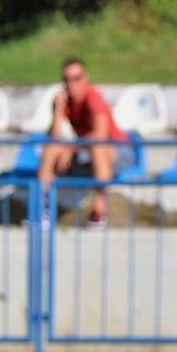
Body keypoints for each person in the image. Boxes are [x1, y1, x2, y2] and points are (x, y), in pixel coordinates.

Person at [38, 58, 133, 229]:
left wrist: (70, 147)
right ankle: (42, 209)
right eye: (67, 79)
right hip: (86, 150)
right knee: (51, 149)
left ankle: (100, 211)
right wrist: (57, 112)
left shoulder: (93, 98)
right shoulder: (63, 100)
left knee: (98, 148)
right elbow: (53, 137)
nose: (71, 84)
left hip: (117, 150)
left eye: (76, 78)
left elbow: (100, 135)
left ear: (86, 78)